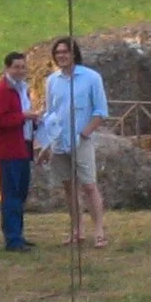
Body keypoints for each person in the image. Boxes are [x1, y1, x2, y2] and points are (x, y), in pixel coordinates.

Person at [35, 37, 109, 248]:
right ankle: (77, 230)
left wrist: (85, 133)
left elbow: (101, 111)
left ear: (74, 53)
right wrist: (45, 145)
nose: (61, 56)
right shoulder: (52, 81)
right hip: (59, 141)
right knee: (68, 187)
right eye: (58, 53)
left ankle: (99, 231)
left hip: (81, 140)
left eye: (65, 52)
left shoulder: (91, 78)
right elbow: (51, 114)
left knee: (89, 185)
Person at [0, 51, 38, 252]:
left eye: (23, 67)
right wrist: (23, 117)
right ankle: (13, 239)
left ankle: (18, 234)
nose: (20, 71)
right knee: (11, 194)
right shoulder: (0, 91)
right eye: (16, 67)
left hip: (23, 146)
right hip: (9, 149)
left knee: (20, 193)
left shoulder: (22, 89)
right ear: (7, 68)